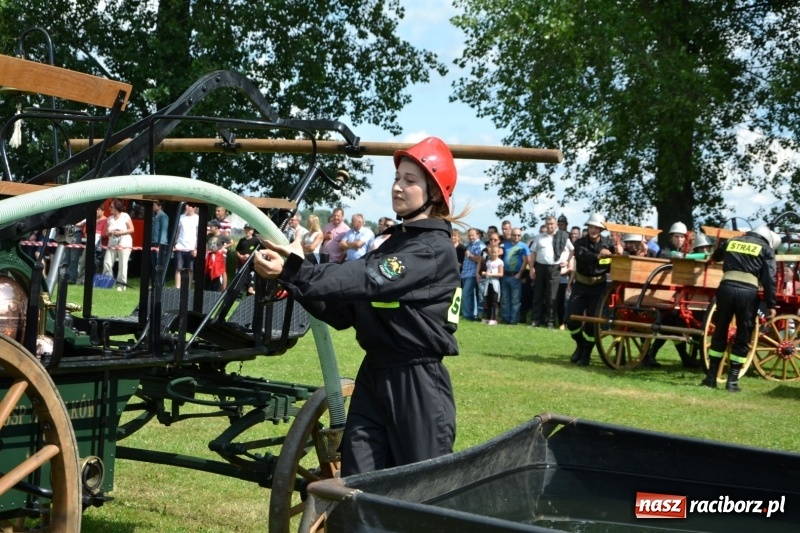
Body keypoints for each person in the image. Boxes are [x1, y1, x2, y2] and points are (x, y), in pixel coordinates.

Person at [253, 136, 462, 476]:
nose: (398, 187)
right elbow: (343, 311)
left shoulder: (432, 249)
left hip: (416, 380)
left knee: (423, 490)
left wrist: (297, 268)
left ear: (435, 194)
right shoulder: (394, 244)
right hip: (375, 375)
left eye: (410, 181)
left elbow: (367, 279)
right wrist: (291, 277)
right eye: (397, 178)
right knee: (357, 481)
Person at [702, 225, 779, 392]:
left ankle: (710, 378)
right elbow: (769, 279)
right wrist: (771, 304)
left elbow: (717, 254)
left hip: (726, 288)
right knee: (743, 334)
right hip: (748, 293)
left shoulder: (732, 241)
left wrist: (712, 259)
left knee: (720, 330)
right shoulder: (766, 249)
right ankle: (732, 382)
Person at [566, 213, 622, 366]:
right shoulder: (580, 243)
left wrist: (618, 253)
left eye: (596, 227)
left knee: (592, 323)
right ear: (588, 227)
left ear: (601, 229)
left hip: (599, 287)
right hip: (580, 285)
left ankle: (586, 355)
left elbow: (617, 263)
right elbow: (582, 255)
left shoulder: (608, 244)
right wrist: (598, 256)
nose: (593, 230)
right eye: (591, 226)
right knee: (571, 320)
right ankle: (580, 344)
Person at [529, 215, 573, 328]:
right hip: (540, 267)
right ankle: (535, 320)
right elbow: (533, 253)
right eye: (548, 224)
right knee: (537, 295)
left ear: (556, 224)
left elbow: (572, 249)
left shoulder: (563, 236)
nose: (550, 226)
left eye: (552, 224)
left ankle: (550, 322)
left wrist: (567, 261)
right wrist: (531, 268)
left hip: (554, 268)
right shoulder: (539, 237)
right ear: (545, 224)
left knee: (552, 296)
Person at [102, 199, 135, 291]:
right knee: (107, 262)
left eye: (111, 207)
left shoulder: (125, 216)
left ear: (117, 207)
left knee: (123, 264)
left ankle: (121, 285)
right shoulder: (110, 218)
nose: (110, 208)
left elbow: (132, 229)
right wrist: (109, 232)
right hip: (112, 241)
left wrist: (120, 232)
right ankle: (107, 282)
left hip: (124, 241)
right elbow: (106, 232)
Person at [500, 227, 530, 324]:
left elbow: (525, 261)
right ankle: (505, 318)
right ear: (511, 235)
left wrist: (520, 274)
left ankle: (514, 319)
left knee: (515, 300)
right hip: (505, 275)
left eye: (519, 235)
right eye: (514, 235)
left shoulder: (524, 246)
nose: (516, 237)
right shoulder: (505, 245)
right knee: (505, 298)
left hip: (516, 276)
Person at [77, 205, 107, 284]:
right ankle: (80, 280)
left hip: (100, 246)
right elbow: (85, 230)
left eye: (98, 209)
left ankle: (96, 282)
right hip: (89, 244)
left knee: (97, 264)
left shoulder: (106, 220)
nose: (96, 211)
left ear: (103, 211)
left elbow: (104, 233)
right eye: (96, 209)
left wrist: (96, 233)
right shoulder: (91, 218)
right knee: (83, 262)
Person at [461, 228, 486, 321]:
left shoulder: (480, 245)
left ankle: (467, 315)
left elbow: (480, 259)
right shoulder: (470, 245)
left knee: (466, 294)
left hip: (473, 273)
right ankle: (471, 314)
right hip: (466, 273)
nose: (470, 237)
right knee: (470, 295)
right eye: (469, 235)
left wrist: (470, 255)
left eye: (472, 235)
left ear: (478, 235)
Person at [174, 203, 199, 289]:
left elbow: (198, 234)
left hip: (191, 247)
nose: (186, 207)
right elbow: (178, 231)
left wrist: (196, 248)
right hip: (180, 246)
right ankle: (177, 288)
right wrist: (175, 243)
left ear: (194, 208)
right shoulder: (181, 217)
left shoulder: (197, 218)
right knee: (178, 268)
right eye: (186, 205)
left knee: (190, 269)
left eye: (189, 205)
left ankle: (188, 288)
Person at [480, 245, 503, 325]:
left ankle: (494, 318)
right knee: (488, 300)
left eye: (495, 252)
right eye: (492, 252)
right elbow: (487, 271)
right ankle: (488, 317)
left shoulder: (499, 262)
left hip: (495, 282)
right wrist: (485, 273)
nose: (493, 254)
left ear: (498, 253)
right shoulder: (489, 261)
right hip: (488, 282)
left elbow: (501, 274)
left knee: (494, 301)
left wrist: (490, 274)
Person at [205, 219, 231, 291]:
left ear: (216, 227)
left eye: (211, 226)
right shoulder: (209, 235)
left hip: (218, 257)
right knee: (209, 272)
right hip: (210, 256)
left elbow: (231, 242)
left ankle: (221, 289)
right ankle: (208, 288)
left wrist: (223, 248)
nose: (209, 227)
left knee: (219, 272)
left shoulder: (222, 236)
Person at [151, 200, 170, 281]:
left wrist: (160, 245)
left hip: (159, 244)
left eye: (154, 205)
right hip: (153, 242)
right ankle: (154, 282)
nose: (153, 206)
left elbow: (164, 230)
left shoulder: (163, 216)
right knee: (154, 264)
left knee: (160, 265)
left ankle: (160, 283)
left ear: (160, 206)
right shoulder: (155, 216)